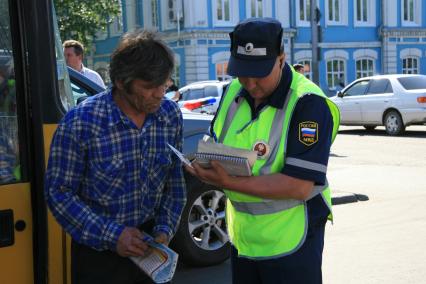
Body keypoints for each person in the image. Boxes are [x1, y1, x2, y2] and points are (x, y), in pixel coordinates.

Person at [187, 18, 340, 284]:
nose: (250, 83)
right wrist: (206, 166)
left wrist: (226, 181)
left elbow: (300, 186)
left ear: (282, 58)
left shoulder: (309, 104)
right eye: (242, 72)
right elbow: (218, 143)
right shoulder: (233, 91)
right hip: (244, 241)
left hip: (292, 243)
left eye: (259, 73)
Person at [45, 30, 186, 284]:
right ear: (121, 82)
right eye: (148, 86)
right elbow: (59, 193)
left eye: (163, 84)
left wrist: (164, 231)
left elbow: (174, 183)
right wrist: (113, 236)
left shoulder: (170, 116)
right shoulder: (81, 122)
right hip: (99, 255)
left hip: (151, 250)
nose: (158, 94)